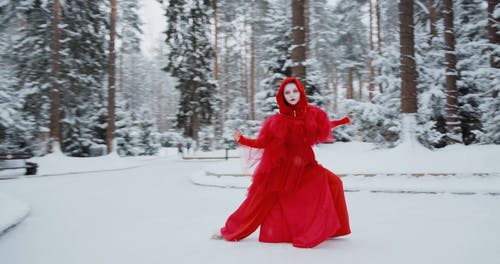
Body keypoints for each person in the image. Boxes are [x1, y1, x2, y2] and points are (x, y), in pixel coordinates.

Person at [214, 77, 351, 248]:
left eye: (294, 91)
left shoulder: (312, 114)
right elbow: (262, 143)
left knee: (335, 183)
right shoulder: (276, 121)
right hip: (283, 170)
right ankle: (230, 229)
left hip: (308, 166)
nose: (292, 95)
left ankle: (335, 229)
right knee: (257, 201)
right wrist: (242, 139)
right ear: (282, 97)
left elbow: (325, 125)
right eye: (287, 92)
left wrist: (343, 121)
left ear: (300, 92)